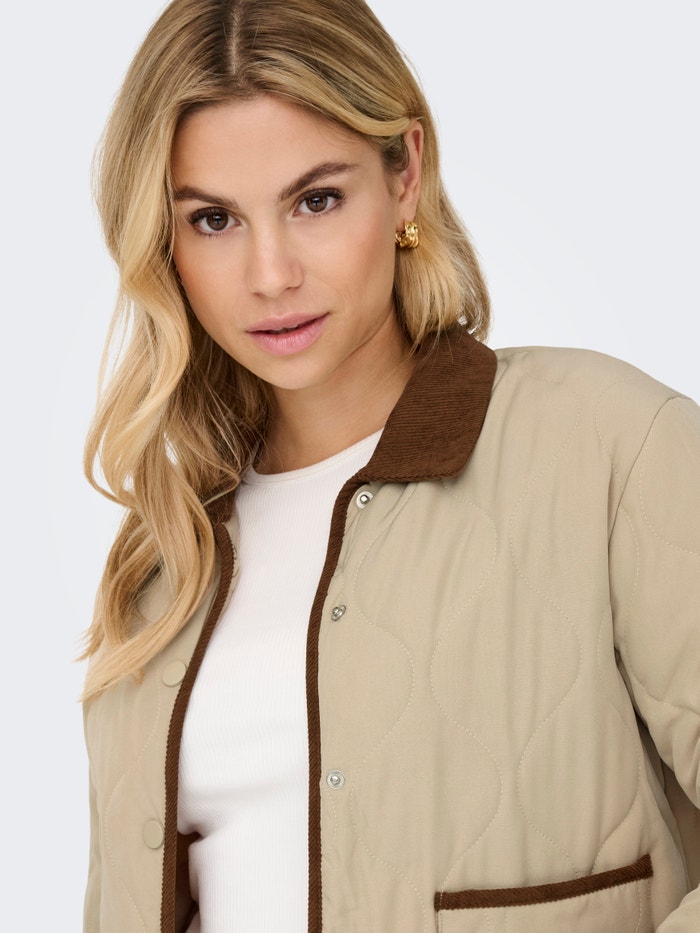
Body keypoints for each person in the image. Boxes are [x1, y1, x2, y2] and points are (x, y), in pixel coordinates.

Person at [81, 0, 700, 930]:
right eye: (213, 219)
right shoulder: (166, 551)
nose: (271, 274)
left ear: (405, 173)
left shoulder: (609, 446)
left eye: (315, 200)